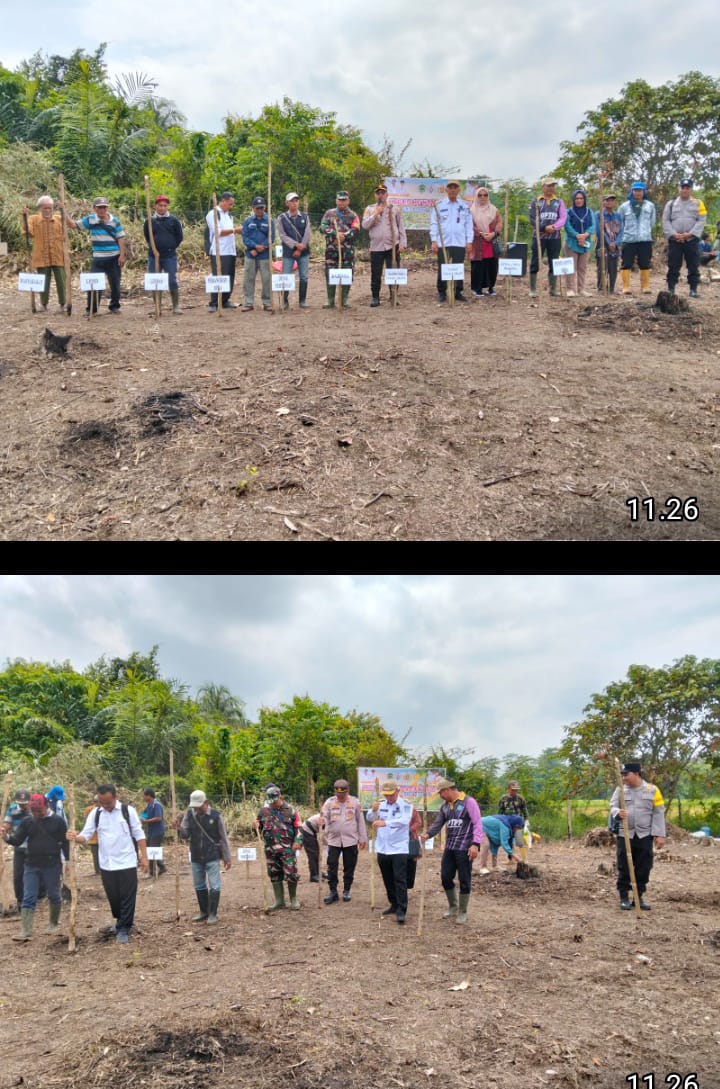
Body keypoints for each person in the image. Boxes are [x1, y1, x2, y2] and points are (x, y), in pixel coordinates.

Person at [68, 783, 148, 943]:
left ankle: (124, 928)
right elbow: (86, 834)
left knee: (127, 896)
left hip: (127, 861)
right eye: (102, 802)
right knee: (113, 896)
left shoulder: (127, 811)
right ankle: (120, 921)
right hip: (107, 863)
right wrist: (75, 837)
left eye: (108, 802)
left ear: (115, 798)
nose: (105, 805)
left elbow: (139, 834)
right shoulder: (96, 814)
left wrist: (144, 858)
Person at [2, 793, 69, 941]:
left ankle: (53, 924)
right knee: (28, 897)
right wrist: (6, 836)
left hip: (52, 864)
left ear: (47, 806)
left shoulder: (58, 821)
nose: (37, 814)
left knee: (53, 894)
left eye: (39, 811)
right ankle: (26, 930)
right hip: (31, 864)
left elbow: (65, 842)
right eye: (34, 811)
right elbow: (17, 840)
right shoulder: (27, 821)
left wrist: (68, 862)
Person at [421, 778, 484, 925]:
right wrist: (428, 834)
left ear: (447, 790)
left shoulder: (469, 802)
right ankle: (453, 906)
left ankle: (462, 911)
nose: (440, 796)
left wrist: (475, 844)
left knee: (464, 879)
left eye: (441, 793)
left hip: (465, 848)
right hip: (450, 848)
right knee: (445, 877)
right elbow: (438, 823)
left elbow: (477, 824)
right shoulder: (445, 807)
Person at [609, 761, 666, 911]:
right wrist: (617, 813)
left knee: (644, 867)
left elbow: (659, 813)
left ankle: (638, 897)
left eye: (626, 774)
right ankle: (623, 897)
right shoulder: (620, 790)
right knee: (624, 866)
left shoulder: (652, 790)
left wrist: (659, 834)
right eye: (622, 775)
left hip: (644, 835)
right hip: (625, 835)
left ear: (636, 774)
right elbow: (612, 806)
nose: (623, 778)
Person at [177, 789, 232, 924]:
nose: (196, 809)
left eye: (199, 806)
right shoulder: (189, 814)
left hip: (212, 855)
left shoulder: (216, 816)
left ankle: (213, 913)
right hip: (195, 855)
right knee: (199, 884)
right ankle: (203, 911)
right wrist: (179, 829)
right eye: (194, 807)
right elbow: (185, 835)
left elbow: (223, 837)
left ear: (206, 802)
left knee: (215, 885)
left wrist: (227, 857)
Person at [366, 778, 413, 924]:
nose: (388, 797)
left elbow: (404, 821)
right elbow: (370, 818)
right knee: (387, 878)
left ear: (397, 791)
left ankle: (401, 909)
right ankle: (393, 903)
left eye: (391, 794)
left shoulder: (405, 805)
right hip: (383, 847)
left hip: (399, 848)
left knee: (399, 879)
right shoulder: (381, 804)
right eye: (386, 795)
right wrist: (372, 810)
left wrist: (385, 822)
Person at [71, 197, 126, 314]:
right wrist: (63, 212)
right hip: (98, 258)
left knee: (115, 283)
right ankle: (92, 309)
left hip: (114, 257)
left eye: (104, 207)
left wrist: (122, 255)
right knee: (94, 283)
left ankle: (114, 306)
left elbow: (120, 238)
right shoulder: (90, 220)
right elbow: (73, 225)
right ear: (94, 208)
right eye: (100, 207)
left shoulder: (114, 220)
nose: (102, 210)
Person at [255, 786, 303, 913]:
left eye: (275, 801)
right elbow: (258, 829)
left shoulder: (291, 811)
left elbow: (299, 828)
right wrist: (255, 825)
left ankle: (293, 899)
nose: (273, 804)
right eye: (270, 801)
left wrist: (298, 841)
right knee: (274, 874)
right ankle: (279, 901)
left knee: (291, 873)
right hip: (270, 850)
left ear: (280, 797)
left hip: (287, 849)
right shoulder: (263, 811)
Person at [320, 778, 368, 904]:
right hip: (334, 840)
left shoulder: (355, 802)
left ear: (347, 792)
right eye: (338, 794)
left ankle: (347, 890)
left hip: (351, 840)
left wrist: (363, 838)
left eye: (343, 794)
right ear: (335, 792)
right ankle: (333, 891)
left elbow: (360, 821)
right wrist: (323, 821)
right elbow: (324, 816)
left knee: (349, 866)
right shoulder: (329, 802)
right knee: (332, 866)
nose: (340, 797)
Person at [361, 183, 407, 307]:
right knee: (376, 273)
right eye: (378, 193)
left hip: (393, 246)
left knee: (393, 271)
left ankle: (394, 296)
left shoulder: (394, 208)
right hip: (376, 247)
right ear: (375, 195)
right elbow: (364, 225)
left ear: (387, 194)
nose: (380, 195)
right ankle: (375, 297)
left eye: (383, 192)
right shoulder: (369, 209)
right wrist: (375, 214)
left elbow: (401, 226)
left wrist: (402, 243)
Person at [662, 178, 707, 298]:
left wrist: (690, 234)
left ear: (691, 189)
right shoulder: (670, 204)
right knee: (673, 265)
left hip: (691, 240)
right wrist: (673, 234)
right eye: (683, 187)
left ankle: (693, 289)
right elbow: (665, 221)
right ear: (679, 188)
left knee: (693, 265)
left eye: (688, 188)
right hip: (675, 240)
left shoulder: (698, 203)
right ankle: (671, 288)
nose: (685, 190)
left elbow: (701, 220)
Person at [429, 180, 473, 302]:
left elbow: (468, 225)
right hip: (444, 242)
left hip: (459, 242)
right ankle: (442, 292)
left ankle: (457, 291)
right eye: (450, 188)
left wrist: (469, 241)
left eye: (455, 188)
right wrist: (434, 241)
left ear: (459, 190)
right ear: (446, 190)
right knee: (443, 266)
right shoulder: (439, 205)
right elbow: (434, 224)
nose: (453, 190)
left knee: (458, 267)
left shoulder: (464, 206)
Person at [21, 196, 67, 311]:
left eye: (49, 208)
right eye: (45, 208)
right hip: (41, 255)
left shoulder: (59, 219)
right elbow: (27, 232)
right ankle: (43, 304)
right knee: (43, 281)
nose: (47, 210)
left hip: (58, 255)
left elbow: (70, 226)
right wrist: (24, 217)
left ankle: (63, 304)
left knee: (61, 280)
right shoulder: (33, 219)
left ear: (52, 208)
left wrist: (64, 210)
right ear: (40, 208)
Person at [143, 195, 184, 314]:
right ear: (155, 206)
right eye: (160, 205)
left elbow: (179, 237)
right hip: (153, 256)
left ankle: (176, 306)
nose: (162, 208)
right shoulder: (150, 221)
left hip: (169, 256)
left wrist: (171, 247)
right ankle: (157, 307)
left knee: (171, 279)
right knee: (155, 280)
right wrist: (154, 248)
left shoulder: (174, 221)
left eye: (165, 205)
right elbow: (147, 236)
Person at [320, 190, 361, 308]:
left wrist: (345, 235)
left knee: (347, 273)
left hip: (347, 250)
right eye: (339, 200)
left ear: (348, 201)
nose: (342, 202)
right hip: (332, 249)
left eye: (344, 200)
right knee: (330, 272)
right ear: (336, 200)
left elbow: (356, 229)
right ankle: (330, 300)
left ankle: (344, 300)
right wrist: (334, 234)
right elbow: (323, 227)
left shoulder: (353, 215)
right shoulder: (329, 213)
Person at [528, 177, 567, 297]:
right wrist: (544, 228)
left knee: (554, 262)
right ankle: (533, 289)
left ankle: (553, 289)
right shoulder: (536, 202)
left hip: (554, 237)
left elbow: (563, 218)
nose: (551, 188)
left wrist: (554, 227)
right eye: (548, 186)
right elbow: (533, 219)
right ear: (543, 187)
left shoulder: (559, 202)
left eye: (553, 186)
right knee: (535, 261)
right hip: (539, 237)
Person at [206, 191, 242, 311]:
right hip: (219, 250)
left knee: (230, 277)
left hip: (230, 250)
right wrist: (235, 230)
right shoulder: (213, 214)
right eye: (230, 204)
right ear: (223, 201)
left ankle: (225, 300)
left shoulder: (229, 215)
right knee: (218, 276)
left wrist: (234, 231)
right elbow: (218, 232)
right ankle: (214, 302)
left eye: (232, 204)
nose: (231, 207)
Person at [618, 181, 656, 295]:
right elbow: (620, 223)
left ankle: (645, 286)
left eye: (640, 190)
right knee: (626, 263)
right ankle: (625, 287)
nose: (638, 193)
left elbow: (652, 222)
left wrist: (645, 232)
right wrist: (624, 235)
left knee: (645, 262)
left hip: (645, 239)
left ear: (644, 192)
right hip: (629, 239)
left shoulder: (650, 205)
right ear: (632, 192)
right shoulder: (624, 206)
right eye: (635, 190)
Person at [277, 192, 311, 309]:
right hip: (288, 252)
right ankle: (285, 301)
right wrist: (296, 245)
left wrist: (301, 248)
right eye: (292, 201)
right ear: (287, 203)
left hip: (304, 252)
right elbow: (282, 235)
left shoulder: (305, 217)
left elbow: (307, 233)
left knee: (304, 277)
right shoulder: (282, 218)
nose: (294, 203)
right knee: (286, 276)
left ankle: (302, 301)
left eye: (296, 200)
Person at [241, 196, 276, 311]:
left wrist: (262, 247)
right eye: (257, 208)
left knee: (266, 279)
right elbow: (245, 237)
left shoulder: (270, 221)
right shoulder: (248, 221)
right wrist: (255, 247)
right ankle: (248, 302)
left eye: (262, 208)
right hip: (251, 254)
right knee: (248, 279)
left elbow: (272, 237)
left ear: (265, 208)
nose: (260, 210)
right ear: (253, 208)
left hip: (265, 255)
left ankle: (267, 303)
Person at [469, 185, 503, 297]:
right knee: (478, 266)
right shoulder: (472, 211)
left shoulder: (494, 209)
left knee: (492, 266)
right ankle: (476, 288)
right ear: (476, 196)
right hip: (478, 242)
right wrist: (482, 234)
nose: (483, 197)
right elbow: (470, 225)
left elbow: (499, 222)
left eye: (485, 195)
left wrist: (493, 233)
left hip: (491, 241)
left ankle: (490, 288)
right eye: (480, 195)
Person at [2, 787, 33, 910]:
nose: (23, 805)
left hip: (33, 848)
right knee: (18, 875)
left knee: (31, 874)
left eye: (25, 803)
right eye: (20, 803)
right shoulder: (12, 810)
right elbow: (7, 824)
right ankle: (20, 900)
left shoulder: (34, 810)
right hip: (19, 846)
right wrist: (4, 829)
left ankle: (31, 900)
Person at [564, 188, 596, 297]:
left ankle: (581, 289)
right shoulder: (569, 212)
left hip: (585, 243)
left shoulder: (589, 211)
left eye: (581, 198)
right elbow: (567, 225)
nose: (579, 200)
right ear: (573, 199)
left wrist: (585, 235)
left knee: (582, 267)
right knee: (571, 267)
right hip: (572, 242)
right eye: (576, 198)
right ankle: (570, 289)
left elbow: (593, 225)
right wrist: (577, 235)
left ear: (584, 199)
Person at [594, 194, 624, 294]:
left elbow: (621, 231)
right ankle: (601, 288)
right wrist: (608, 242)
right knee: (602, 266)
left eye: (611, 200)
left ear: (614, 203)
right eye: (607, 200)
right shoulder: (598, 215)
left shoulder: (618, 216)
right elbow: (599, 231)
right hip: (602, 245)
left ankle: (611, 288)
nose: (609, 202)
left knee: (613, 267)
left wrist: (615, 243)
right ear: (603, 202)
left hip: (615, 246)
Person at [140, 788, 167, 878]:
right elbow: (144, 814)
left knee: (151, 850)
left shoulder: (157, 805)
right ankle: (161, 867)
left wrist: (146, 821)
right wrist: (141, 818)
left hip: (157, 831)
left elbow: (158, 818)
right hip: (151, 832)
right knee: (151, 850)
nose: (143, 798)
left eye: (144, 796)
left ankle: (152, 872)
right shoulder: (149, 805)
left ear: (148, 796)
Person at [82, 795, 101, 875]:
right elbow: (88, 822)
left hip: (98, 837)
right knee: (96, 854)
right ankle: (98, 870)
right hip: (94, 837)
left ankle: (100, 870)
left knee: (98, 854)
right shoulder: (90, 810)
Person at [301, 812, 322, 882]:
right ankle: (313, 875)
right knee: (312, 854)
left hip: (312, 831)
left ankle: (318, 872)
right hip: (306, 831)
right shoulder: (324, 818)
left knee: (317, 852)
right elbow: (325, 834)